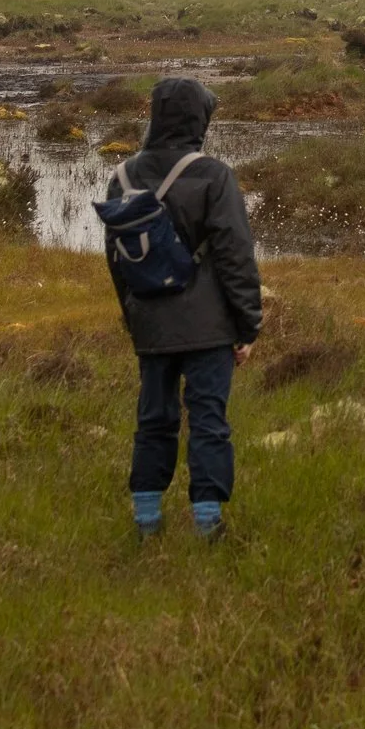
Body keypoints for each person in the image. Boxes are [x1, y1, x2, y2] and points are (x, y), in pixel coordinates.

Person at [108, 76, 262, 541]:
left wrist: (133, 317)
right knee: (208, 422)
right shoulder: (213, 175)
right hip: (210, 328)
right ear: (200, 118)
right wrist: (247, 327)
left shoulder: (122, 178)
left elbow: (117, 262)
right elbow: (236, 255)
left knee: (153, 421)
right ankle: (208, 528)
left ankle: (146, 524)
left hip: (150, 325)